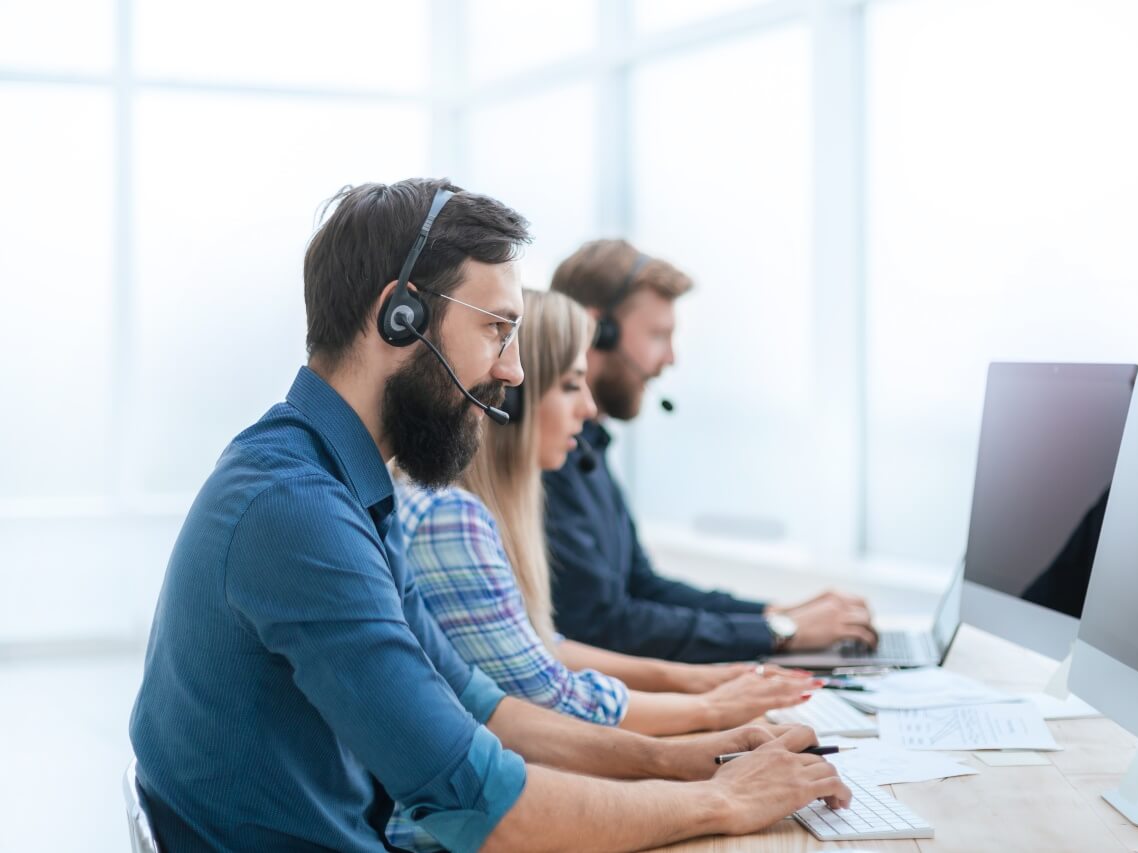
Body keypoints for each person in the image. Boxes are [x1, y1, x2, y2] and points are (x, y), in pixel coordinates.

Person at [128, 179, 849, 853]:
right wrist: (719, 801)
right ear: (399, 317)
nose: (514, 371)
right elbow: (480, 803)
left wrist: (683, 759)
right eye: (498, 329)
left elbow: (480, 706)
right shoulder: (296, 512)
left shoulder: (340, 485)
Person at [396, 288, 817, 744]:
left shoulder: (489, 511)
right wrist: (710, 709)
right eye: (572, 385)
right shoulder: (450, 518)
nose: (590, 409)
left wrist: (700, 682)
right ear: (509, 400)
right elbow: (550, 695)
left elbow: (544, 647)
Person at [543, 239, 878, 663]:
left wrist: (777, 614)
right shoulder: (548, 459)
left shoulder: (589, 447)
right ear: (595, 331)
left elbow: (642, 585)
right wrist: (780, 632)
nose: (670, 358)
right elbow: (603, 625)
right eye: (659, 336)